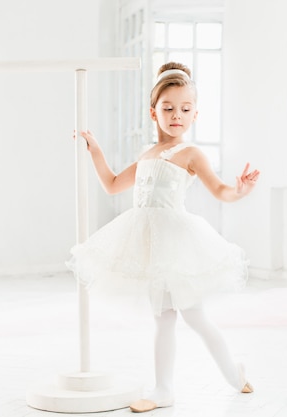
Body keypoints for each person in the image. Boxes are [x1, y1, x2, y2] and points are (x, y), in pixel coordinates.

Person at [67, 62, 260, 413]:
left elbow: (219, 190)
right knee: (164, 318)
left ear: (196, 114)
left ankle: (234, 374)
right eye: (168, 108)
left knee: (194, 316)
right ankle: (163, 389)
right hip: (151, 245)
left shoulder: (190, 154)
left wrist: (239, 190)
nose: (177, 116)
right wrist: (94, 148)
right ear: (153, 111)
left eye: (185, 109)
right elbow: (112, 185)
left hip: (176, 244)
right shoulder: (147, 154)